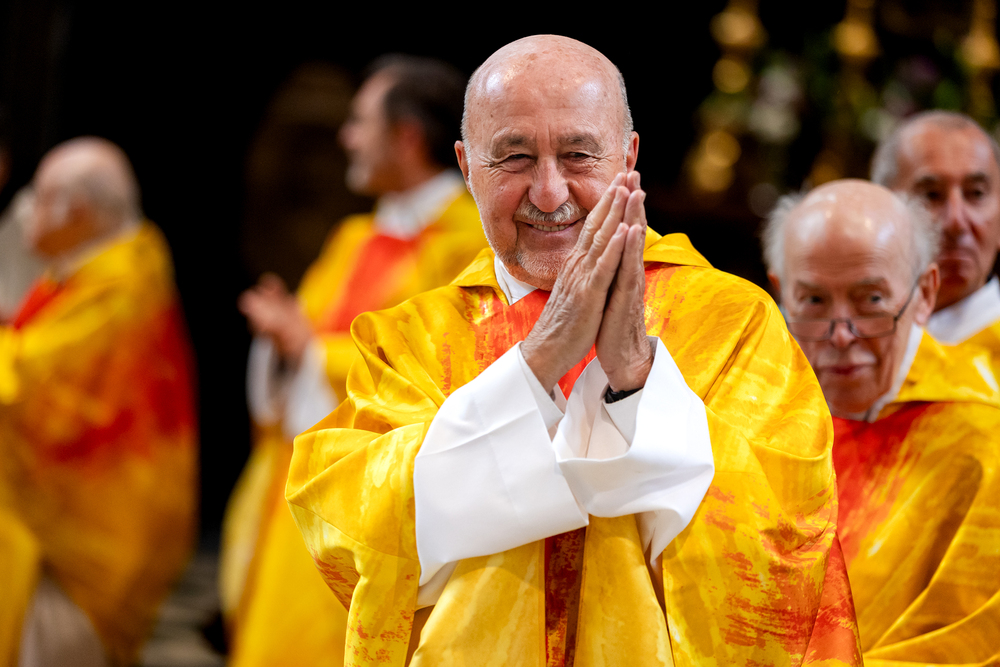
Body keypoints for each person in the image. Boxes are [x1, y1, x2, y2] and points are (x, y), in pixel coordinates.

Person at [286, 35, 860, 666]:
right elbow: (361, 537)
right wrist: (537, 363)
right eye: (514, 157)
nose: (549, 193)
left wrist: (637, 382)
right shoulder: (409, 339)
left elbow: (782, 544)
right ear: (466, 167)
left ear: (627, 157)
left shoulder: (732, 322)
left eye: (579, 155)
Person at [221, 55, 487, 667]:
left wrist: (307, 347)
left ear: (407, 138)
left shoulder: (467, 244)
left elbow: (443, 369)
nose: (347, 138)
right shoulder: (353, 238)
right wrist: (286, 342)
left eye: (360, 122)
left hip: (384, 506)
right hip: (304, 481)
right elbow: (308, 334)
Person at [763, 178, 1000, 664]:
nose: (841, 335)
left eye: (870, 301)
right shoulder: (752, 418)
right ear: (781, 293)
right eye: (814, 302)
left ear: (925, 294)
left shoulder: (983, 439)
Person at [0, 137, 197, 667]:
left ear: (77, 212)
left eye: (40, 196)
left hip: (89, 543)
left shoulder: (124, 283)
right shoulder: (95, 262)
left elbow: (31, 383)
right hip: (66, 529)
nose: (25, 208)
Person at [871, 111, 1000, 362]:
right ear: (881, 211)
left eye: (976, 193)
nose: (956, 222)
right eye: (931, 195)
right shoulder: (846, 348)